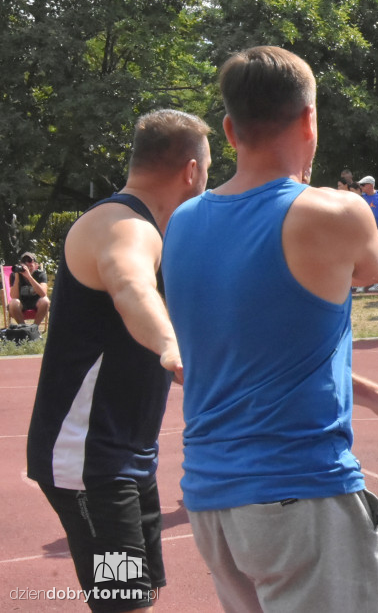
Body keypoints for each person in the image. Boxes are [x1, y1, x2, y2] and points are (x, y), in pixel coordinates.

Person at [161, 46, 378, 612]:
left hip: (213, 497)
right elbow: (369, 270)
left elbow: (250, 353)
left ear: (230, 128)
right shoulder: (333, 213)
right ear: (310, 120)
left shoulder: (184, 222)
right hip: (299, 494)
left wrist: (373, 396)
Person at [26, 109, 211, 610]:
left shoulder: (153, 229)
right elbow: (131, 286)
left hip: (126, 458)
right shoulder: (122, 226)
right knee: (122, 601)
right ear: (191, 170)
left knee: (139, 593)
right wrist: (169, 345)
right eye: (207, 173)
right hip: (90, 463)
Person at [7, 251, 49, 325]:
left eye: (30, 261)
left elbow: (43, 294)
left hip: (36, 303)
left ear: (36, 265)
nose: (27, 263)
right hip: (21, 303)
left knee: (45, 301)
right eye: (24, 261)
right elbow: (14, 296)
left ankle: (35, 328)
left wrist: (29, 277)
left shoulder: (40, 274)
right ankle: (23, 328)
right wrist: (17, 277)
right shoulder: (14, 275)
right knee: (13, 303)